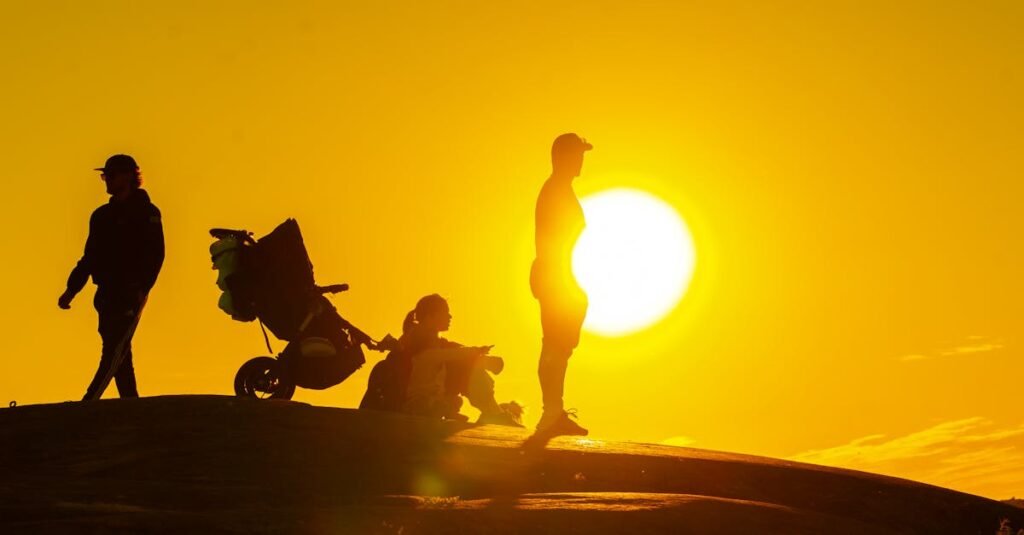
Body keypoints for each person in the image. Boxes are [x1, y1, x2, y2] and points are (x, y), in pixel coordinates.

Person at [58, 154, 165, 400]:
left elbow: (155, 255)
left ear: (128, 176)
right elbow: (90, 256)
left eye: (111, 175)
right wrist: (71, 289)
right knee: (120, 350)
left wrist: (141, 288)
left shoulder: (147, 212)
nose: (107, 180)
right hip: (105, 293)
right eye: (105, 175)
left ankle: (91, 398)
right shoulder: (101, 216)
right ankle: (130, 401)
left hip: (131, 291)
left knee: (114, 348)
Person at [363, 294, 522, 427]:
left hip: (433, 402)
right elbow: (446, 355)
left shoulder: (433, 342)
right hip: (412, 407)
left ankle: (494, 413)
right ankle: (494, 414)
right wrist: (479, 356)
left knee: (468, 367)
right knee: (468, 368)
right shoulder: (415, 345)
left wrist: (481, 358)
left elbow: (451, 351)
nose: (450, 316)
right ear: (430, 317)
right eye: (445, 312)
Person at [531, 133, 592, 436]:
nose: (581, 160)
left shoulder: (561, 190)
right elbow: (553, 241)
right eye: (578, 154)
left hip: (560, 274)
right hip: (556, 275)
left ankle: (554, 410)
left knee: (560, 344)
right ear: (564, 157)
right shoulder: (555, 190)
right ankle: (551, 412)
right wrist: (561, 282)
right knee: (555, 343)